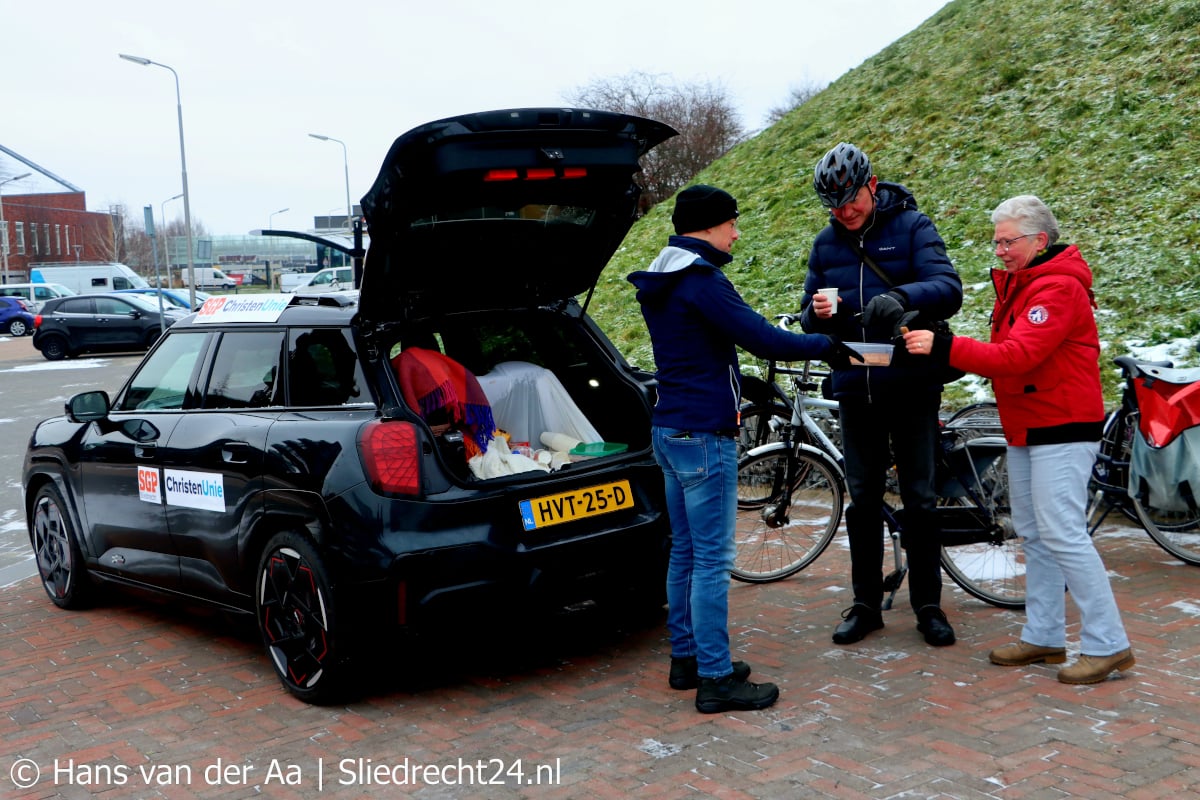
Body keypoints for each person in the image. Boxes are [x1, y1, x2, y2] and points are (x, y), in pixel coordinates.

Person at [627, 184, 859, 714]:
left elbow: (702, 345)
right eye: (731, 223)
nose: (736, 232)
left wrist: (733, 376)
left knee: (685, 552)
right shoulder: (701, 280)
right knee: (712, 561)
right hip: (705, 434)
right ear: (708, 226)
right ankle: (714, 679)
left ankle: (687, 659)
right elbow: (764, 339)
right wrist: (829, 344)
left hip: (670, 429)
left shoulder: (663, 275)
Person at [903, 195, 1134, 684]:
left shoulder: (1057, 288)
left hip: (1062, 427)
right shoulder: (1024, 285)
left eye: (1008, 242)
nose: (1000, 251)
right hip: (1028, 426)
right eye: (997, 242)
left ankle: (1108, 643)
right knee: (1034, 532)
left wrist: (944, 346)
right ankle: (1044, 636)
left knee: (1063, 533)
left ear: (1039, 240)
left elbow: (1016, 356)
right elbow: (1007, 355)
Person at [799, 142, 963, 647]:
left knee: (920, 499)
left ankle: (929, 606)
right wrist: (816, 314)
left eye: (850, 200)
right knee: (863, 500)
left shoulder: (912, 227)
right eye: (833, 206)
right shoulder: (825, 244)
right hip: (856, 387)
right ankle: (866, 604)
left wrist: (900, 296)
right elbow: (806, 313)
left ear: (871, 186)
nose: (844, 212)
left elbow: (948, 288)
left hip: (911, 384)